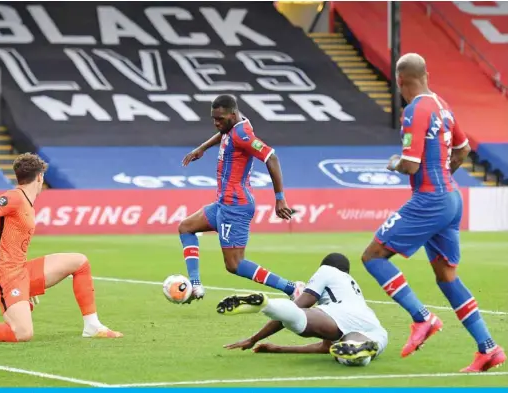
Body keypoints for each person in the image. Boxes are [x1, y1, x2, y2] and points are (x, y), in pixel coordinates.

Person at [361, 53, 504, 372]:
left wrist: (394, 162)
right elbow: (464, 149)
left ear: (399, 81)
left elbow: (410, 164)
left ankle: (422, 317)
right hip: (451, 197)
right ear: (426, 74)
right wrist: (443, 174)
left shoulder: (415, 110)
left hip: (430, 199)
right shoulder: (441, 104)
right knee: (447, 277)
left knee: (373, 257)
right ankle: (488, 348)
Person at [0, 153, 122, 343]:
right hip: (5, 277)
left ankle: (92, 326)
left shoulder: (26, 203)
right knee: (22, 333)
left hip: (21, 271)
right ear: (40, 177)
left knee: (80, 262)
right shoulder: (14, 198)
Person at [178, 94, 297, 303]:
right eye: (213, 119)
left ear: (232, 115)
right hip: (223, 204)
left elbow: (271, 157)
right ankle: (195, 285)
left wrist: (279, 198)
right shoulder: (234, 124)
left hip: (236, 206)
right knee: (186, 227)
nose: (216, 123)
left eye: (220, 119)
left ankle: (292, 288)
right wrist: (202, 148)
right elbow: (225, 133)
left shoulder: (243, 135)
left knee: (235, 265)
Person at [218, 253, 387, 366]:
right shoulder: (352, 285)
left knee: (298, 317)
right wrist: (278, 349)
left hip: (338, 315)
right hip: (374, 327)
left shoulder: (326, 270)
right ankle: (360, 349)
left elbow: (299, 305)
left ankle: (266, 304)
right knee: (347, 353)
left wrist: (254, 339)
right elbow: (325, 347)